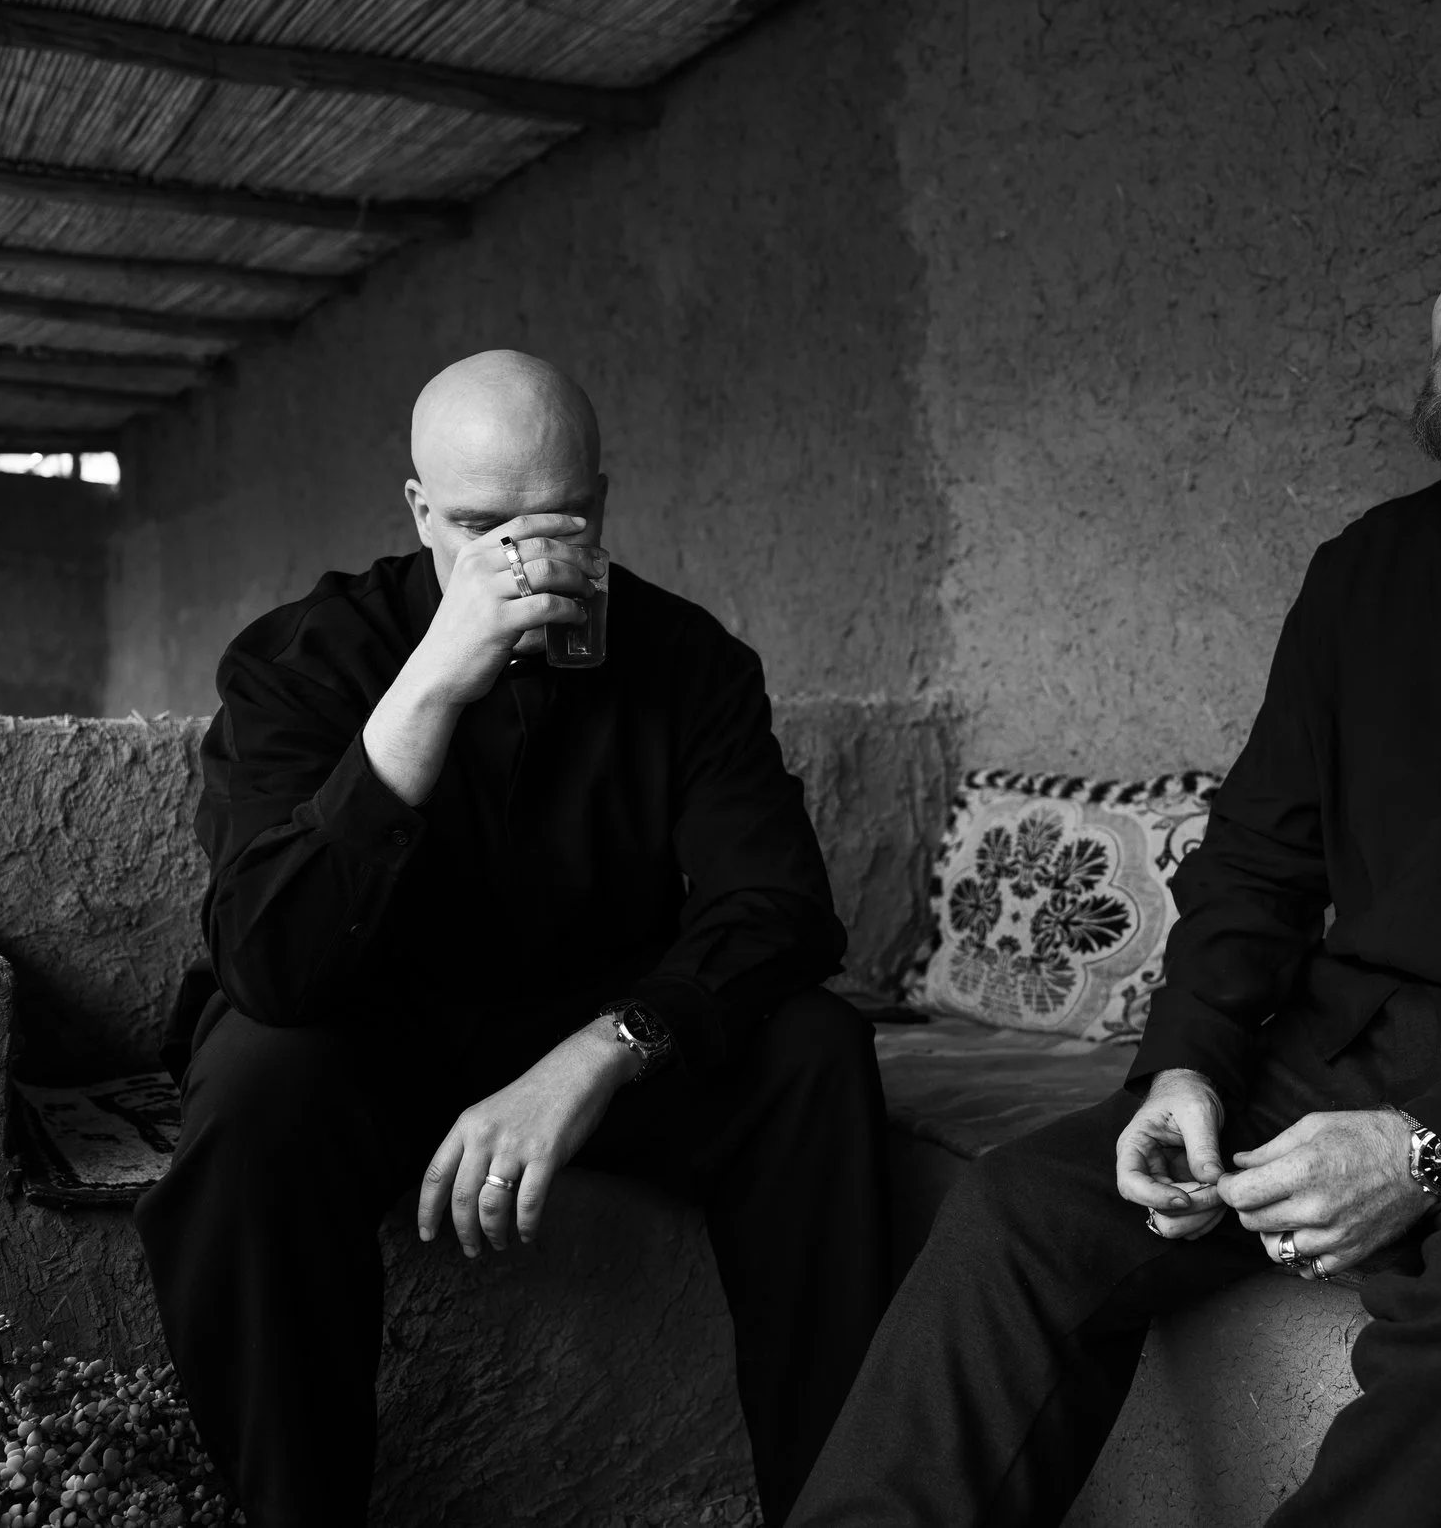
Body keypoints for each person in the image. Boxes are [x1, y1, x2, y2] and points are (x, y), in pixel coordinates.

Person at [789, 165, 1441, 1528]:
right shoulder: (1364, 567)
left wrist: (1427, 1147)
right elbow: (1257, 858)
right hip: (1360, 1041)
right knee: (1022, 1209)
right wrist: (1184, 1063)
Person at [137, 350, 888, 1528]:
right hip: (368, 1034)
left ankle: (842, 1512)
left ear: (602, 501)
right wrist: (431, 689)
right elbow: (269, 960)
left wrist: (604, 1049)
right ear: (418, 509)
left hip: (591, 1036)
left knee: (813, 1049)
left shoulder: (688, 658)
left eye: (561, 522)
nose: (526, 564)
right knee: (253, 1083)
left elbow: (781, 906)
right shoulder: (306, 656)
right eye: (482, 527)